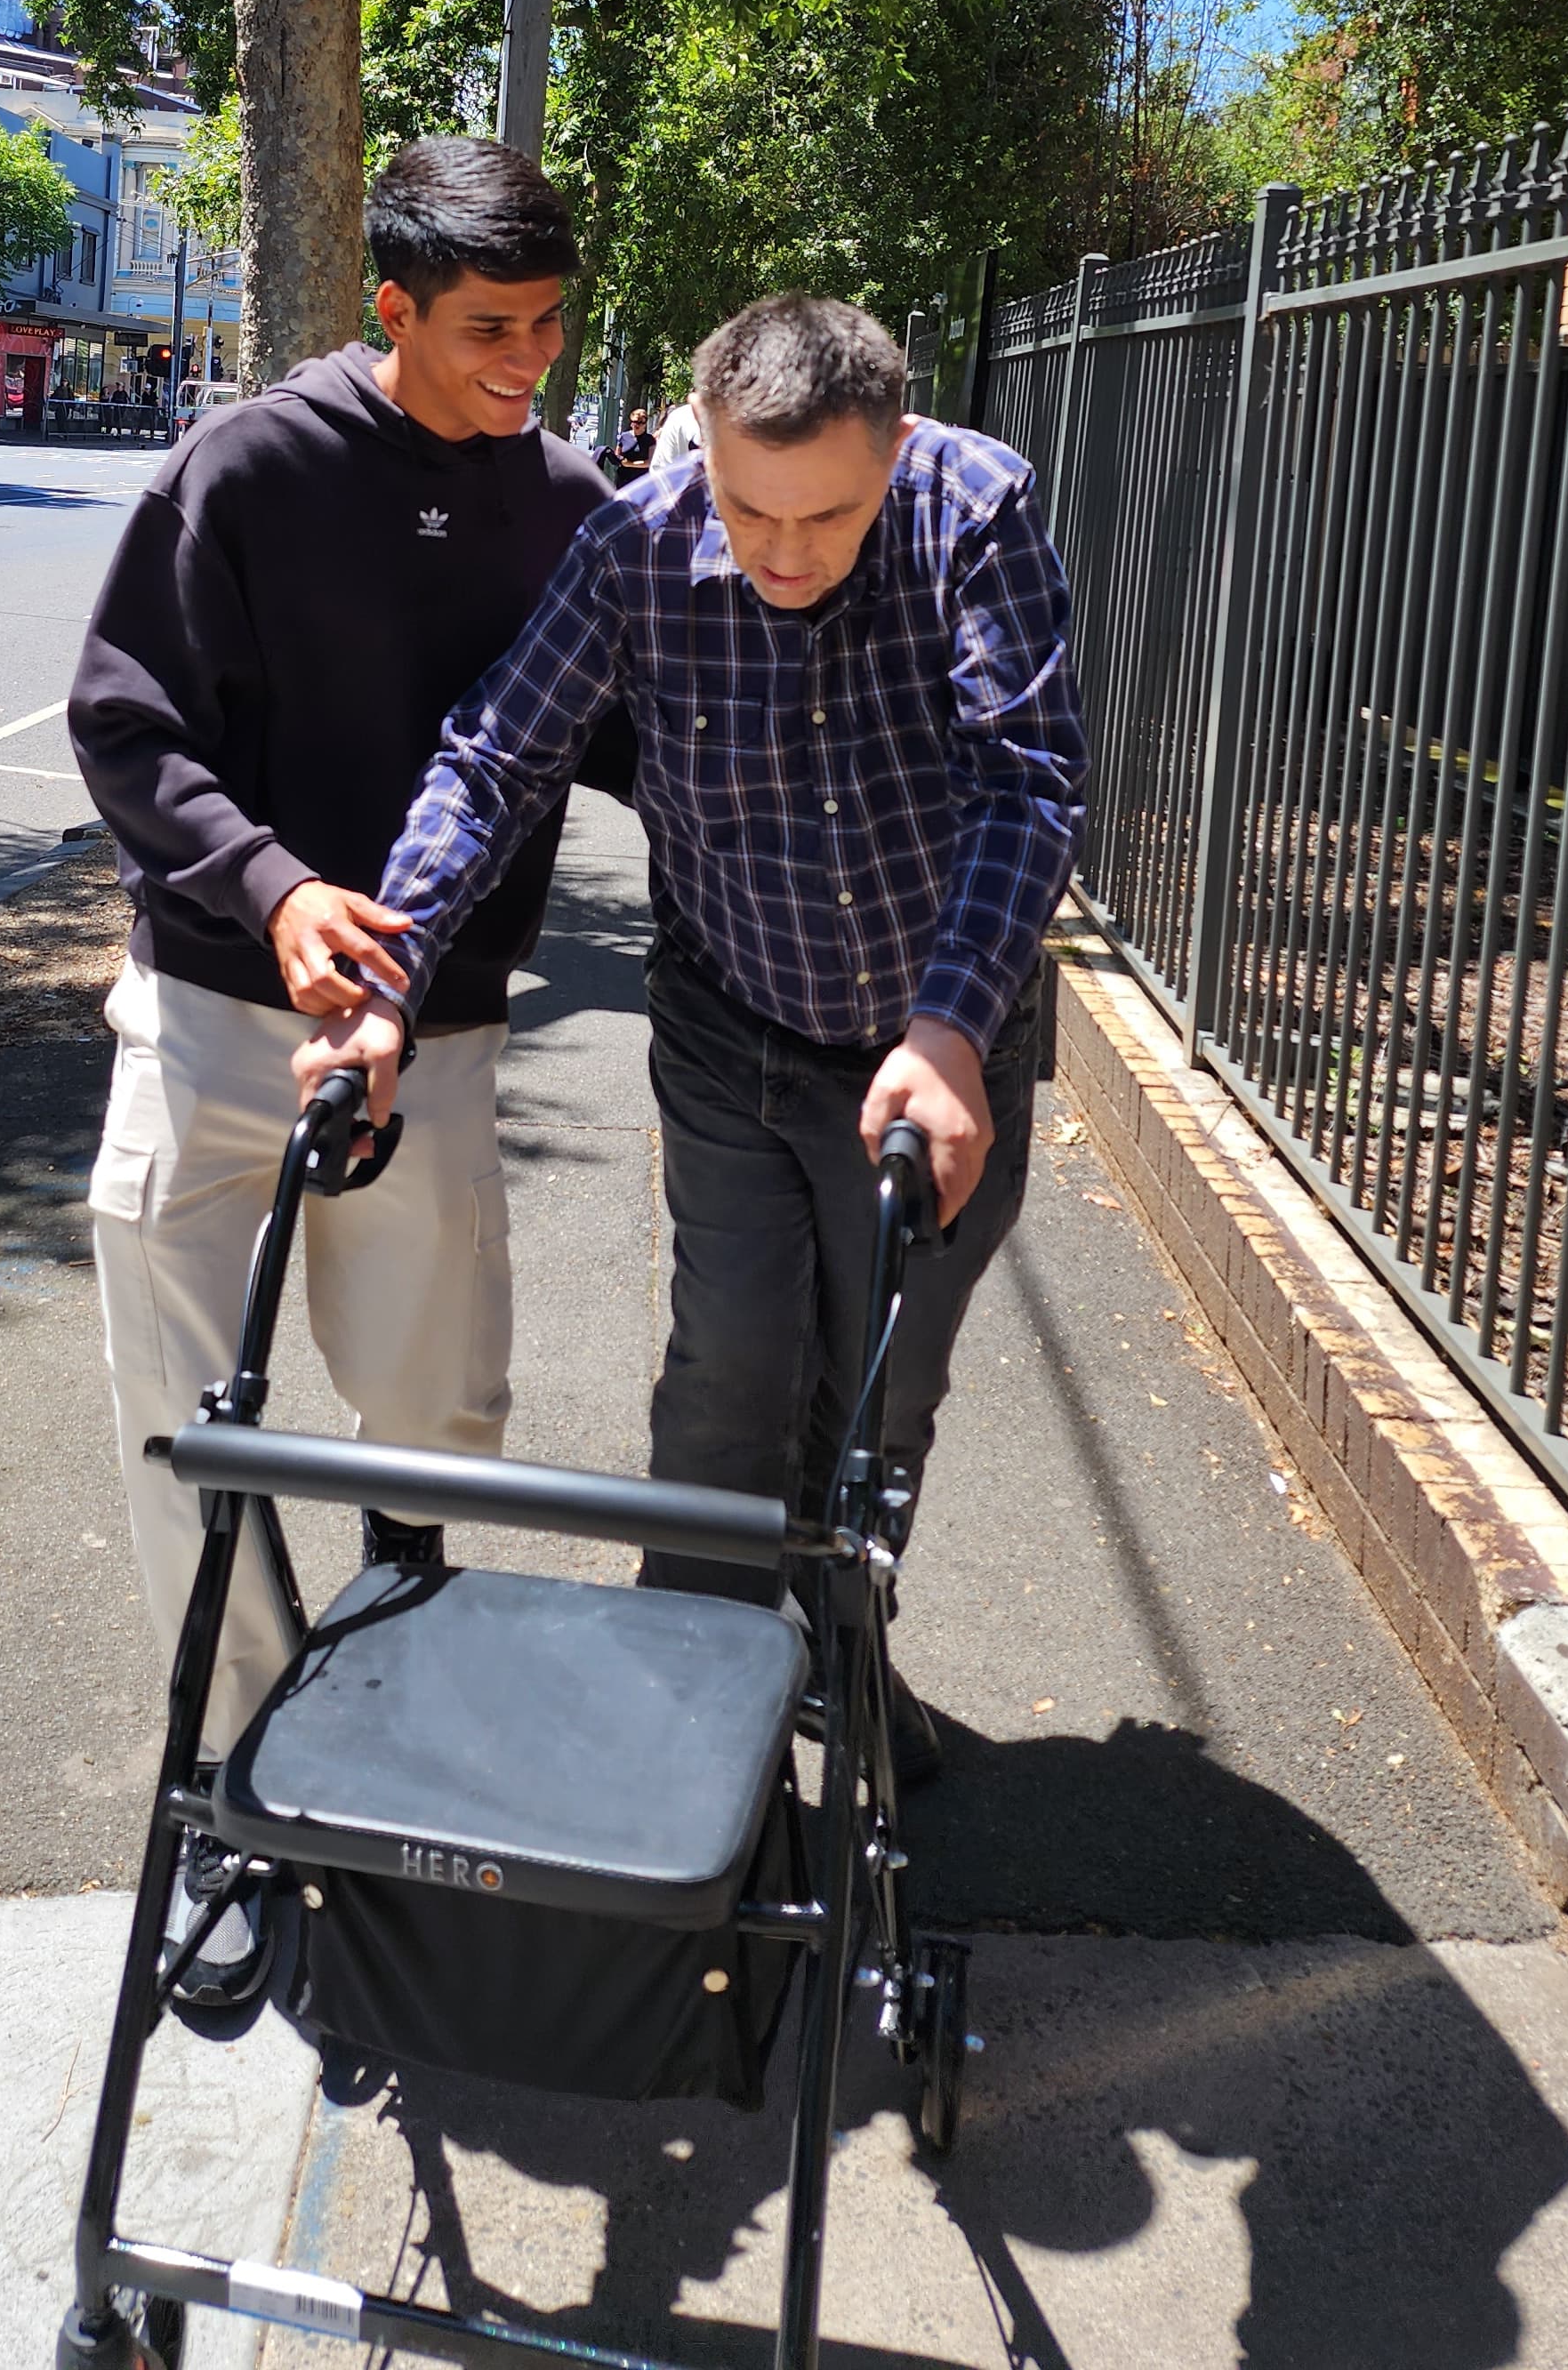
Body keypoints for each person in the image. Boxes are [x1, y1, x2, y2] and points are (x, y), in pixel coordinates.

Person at [293, 292, 1084, 1780]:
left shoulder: (974, 508)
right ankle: (689, 1705)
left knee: (879, 1388)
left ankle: (840, 1651)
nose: (784, 554)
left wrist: (952, 1025)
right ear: (698, 444)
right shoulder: (638, 545)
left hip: (935, 1053)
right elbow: (493, 760)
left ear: (897, 449)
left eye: (828, 517)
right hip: (732, 1029)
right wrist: (386, 984)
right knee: (726, 1376)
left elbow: (1026, 784)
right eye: (747, 507)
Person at [67, 136, 622, 2004]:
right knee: (180, 1418)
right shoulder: (252, 464)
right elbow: (126, 718)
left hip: (442, 1028)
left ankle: (391, 1706)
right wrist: (273, 887)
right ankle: (233, 1787)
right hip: (222, 1012)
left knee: (431, 1406)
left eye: (550, 324)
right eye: (488, 327)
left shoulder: (565, 500)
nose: (527, 360)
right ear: (389, 305)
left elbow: (622, 731)